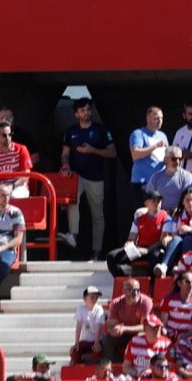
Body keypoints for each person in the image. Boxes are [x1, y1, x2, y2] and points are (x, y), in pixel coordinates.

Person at [61, 98, 113, 261]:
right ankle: (73, 236)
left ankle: (96, 253)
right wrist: (66, 167)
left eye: (88, 109)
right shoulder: (70, 131)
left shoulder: (101, 130)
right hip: (76, 176)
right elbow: (65, 155)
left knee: (97, 214)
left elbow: (112, 153)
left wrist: (92, 150)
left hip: (96, 177)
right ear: (76, 114)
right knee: (71, 202)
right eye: (82, 110)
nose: (86, 113)